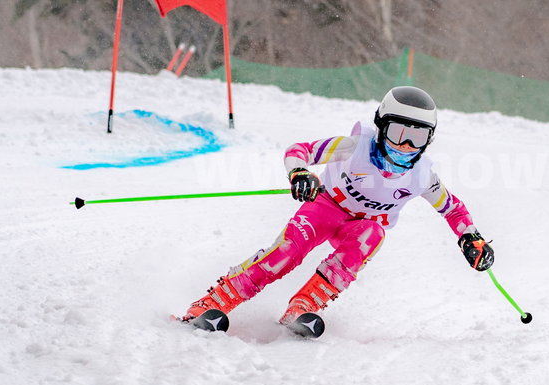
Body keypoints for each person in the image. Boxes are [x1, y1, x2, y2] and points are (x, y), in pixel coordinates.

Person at [176, 86, 494, 337]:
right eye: (399, 133)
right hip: (324, 208)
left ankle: (303, 307)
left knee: (372, 235)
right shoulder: (354, 147)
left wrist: (471, 238)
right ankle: (212, 303)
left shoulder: (422, 176)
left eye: (418, 137)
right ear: (381, 127)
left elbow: (452, 209)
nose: (406, 146)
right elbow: (299, 151)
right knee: (286, 255)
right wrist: (299, 173)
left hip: (361, 226)